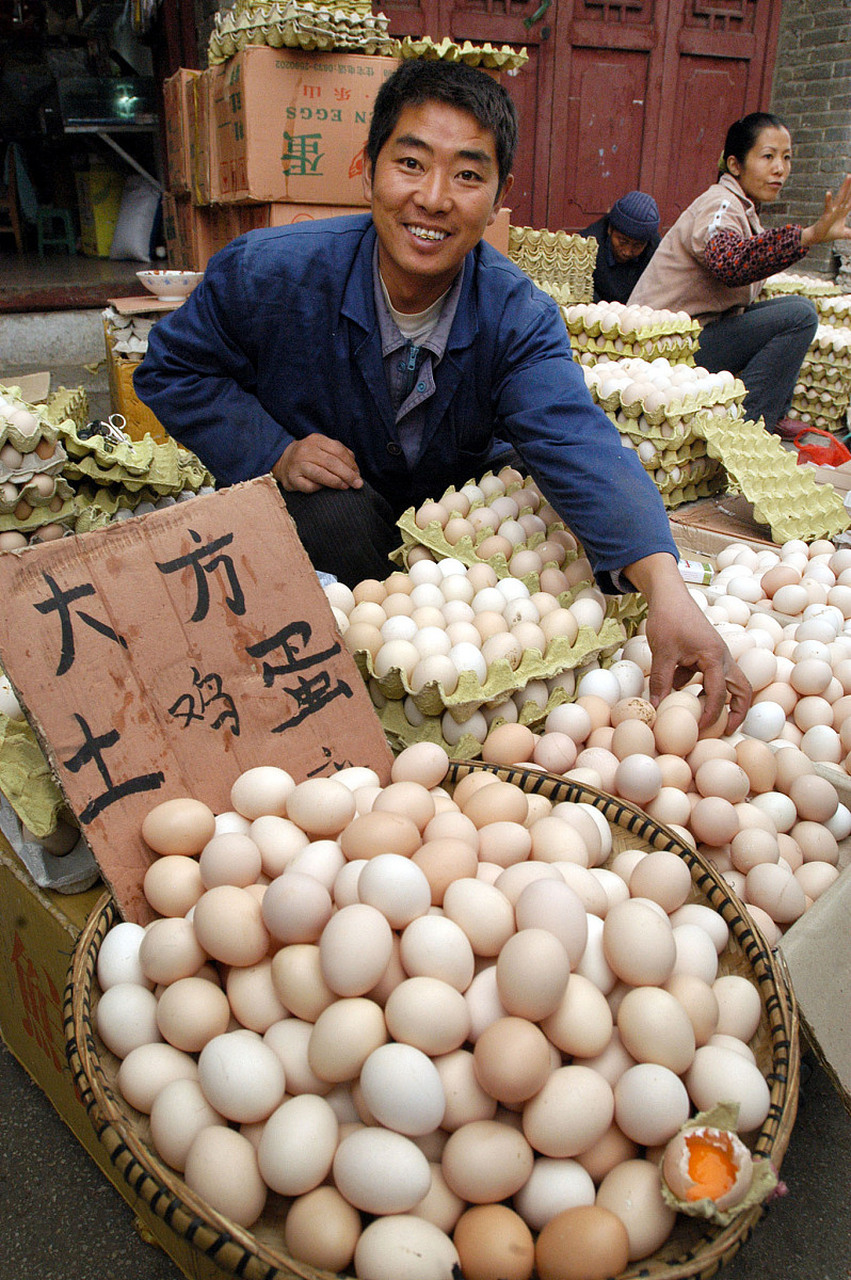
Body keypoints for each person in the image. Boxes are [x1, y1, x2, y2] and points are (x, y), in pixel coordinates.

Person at [134, 59, 750, 731]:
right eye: (410, 164)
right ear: (367, 167)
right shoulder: (271, 272)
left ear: (498, 194)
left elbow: (575, 437)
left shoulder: (516, 314)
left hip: (446, 508)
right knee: (331, 519)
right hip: (342, 503)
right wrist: (273, 450)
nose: (432, 199)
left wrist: (663, 585)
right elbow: (173, 369)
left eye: (466, 175)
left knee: (537, 501)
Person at [629, 112, 851, 440]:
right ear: (734, 165)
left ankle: (768, 414)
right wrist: (807, 237)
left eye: (786, 157)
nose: (780, 168)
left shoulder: (742, 208)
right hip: (664, 348)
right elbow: (728, 261)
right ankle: (747, 430)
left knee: (794, 307)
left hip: (695, 335)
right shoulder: (720, 204)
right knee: (798, 315)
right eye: (768, 156)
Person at [582, 191, 661, 304]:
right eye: (623, 241)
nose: (627, 252)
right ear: (610, 229)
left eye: (637, 245)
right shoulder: (586, 247)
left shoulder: (656, 251)